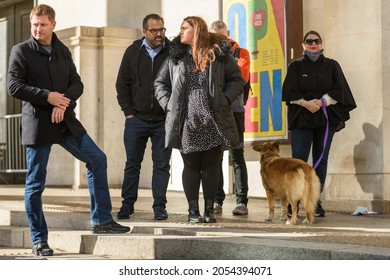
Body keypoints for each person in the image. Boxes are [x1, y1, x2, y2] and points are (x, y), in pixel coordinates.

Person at [7, 4, 130, 257]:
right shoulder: (21, 51)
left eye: (42, 24)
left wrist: (63, 102)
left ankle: (102, 221)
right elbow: (14, 86)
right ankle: (39, 240)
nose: (37, 29)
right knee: (35, 183)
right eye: (34, 24)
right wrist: (48, 97)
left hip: (64, 121)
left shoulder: (62, 50)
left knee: (97, 159)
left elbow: (77, 83)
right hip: (38, 124)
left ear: (53, 24)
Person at [154, 16, 245, 223]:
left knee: (211, 166)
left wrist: (225, 98)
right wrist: (169, 104)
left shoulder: (219, 54)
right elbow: (160, 83)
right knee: (191, 165)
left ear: (197, 30)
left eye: (184, 28)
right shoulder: (175, 57)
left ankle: (209, 210)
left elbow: (237, 79)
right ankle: (193, 210)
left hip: (212, 118)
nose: (180, 31)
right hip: (187, 120)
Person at [282, 30, 356, 217]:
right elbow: (289, 92)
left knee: (321, 160)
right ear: (303, 45)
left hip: (325, 117)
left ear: (322, 44)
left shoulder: (332, 65)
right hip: (302, 117)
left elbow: (340, 90)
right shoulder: (295, 66)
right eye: (309, 41)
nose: (313, 44)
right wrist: (305, 103)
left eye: (316, 41)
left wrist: (323, 101)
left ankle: (315, 201)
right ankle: (294, 202)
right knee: (298, 160)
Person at [115, 14, 172, 221]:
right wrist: (129, 112)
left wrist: (171, 111)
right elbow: (122, 84)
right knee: (132, 164)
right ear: (144, 31)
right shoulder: (132, 52)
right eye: (155, 31)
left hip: (163, 120)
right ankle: (127, 205)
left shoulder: (171, 51)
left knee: (162, 165)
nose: (159, 34)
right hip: (136, 119)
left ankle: (159, 207)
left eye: (162, 30)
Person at [209, 20, 250, 216]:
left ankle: (242, 201)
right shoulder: (206, 54)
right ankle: (217, 200)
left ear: (229, 34)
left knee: (237, 156)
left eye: (222, 37)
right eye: (215, 37)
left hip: (234, 111)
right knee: (215, 158)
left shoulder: (241, 53)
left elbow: (240, 79)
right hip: (213, 112)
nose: (219, 41)